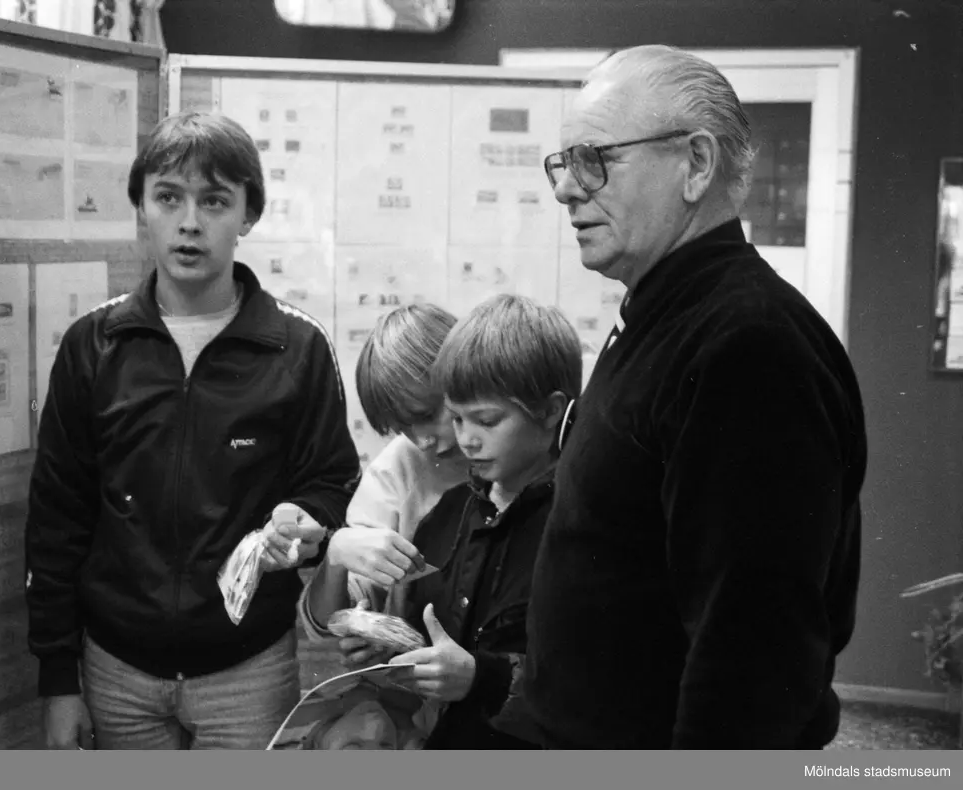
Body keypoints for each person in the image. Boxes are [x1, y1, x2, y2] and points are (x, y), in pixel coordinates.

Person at [500, 45, 868, 749]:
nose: (566, 189)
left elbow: (752, 650)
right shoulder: (665, 314)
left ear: (696, 164)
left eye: (593, 159)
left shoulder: (746, 345)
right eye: (562, 164)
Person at [24, 111, 359, 750]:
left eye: (214, 201)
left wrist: (307, 520)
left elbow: (332, 482)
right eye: (169, 197)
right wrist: (58, 678)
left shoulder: (297, 347)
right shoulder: (94, 345)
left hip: (248, 671)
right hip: (116, 669)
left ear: (248, 214)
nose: (189, 222)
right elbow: (56, 521)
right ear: (141, 207)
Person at [308, 294, 584, 749]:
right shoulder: (422, 492)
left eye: (482, 418)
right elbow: (344, 617)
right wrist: (380, 629)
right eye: (456, 419)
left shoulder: (576, 504)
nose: (427, 441)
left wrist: (480, 677)